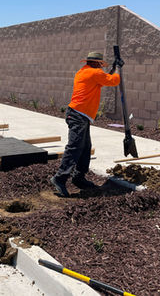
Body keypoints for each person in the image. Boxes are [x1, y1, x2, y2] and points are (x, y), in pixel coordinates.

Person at [50, 52, 121, 197]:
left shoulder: (85, 72)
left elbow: (104, 79)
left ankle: (79, 178)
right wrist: (118, 68)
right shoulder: (93, 73)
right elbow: (113, 81)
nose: (101, 67)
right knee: (75, 146)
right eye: (100, 64)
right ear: (95, 63)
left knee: (85, 147)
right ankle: (60, 178)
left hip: (80, 115)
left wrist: (113, 68)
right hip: (78, 115)